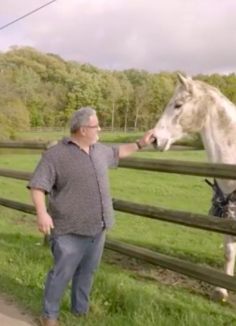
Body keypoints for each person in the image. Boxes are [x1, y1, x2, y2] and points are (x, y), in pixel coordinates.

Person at [27, 106, 155, 326]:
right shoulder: (56, 155)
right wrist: (42, 213)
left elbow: (118, 153)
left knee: (87, 272)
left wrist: (140, 143)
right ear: (83, 129)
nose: (100, 129)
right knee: (61, 274)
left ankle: (80, 311)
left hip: (98, 226)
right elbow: (37, 185)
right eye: (96, 126)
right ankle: (49, 316)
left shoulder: (99, 150)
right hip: (69, 228)